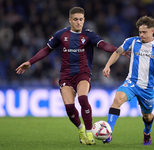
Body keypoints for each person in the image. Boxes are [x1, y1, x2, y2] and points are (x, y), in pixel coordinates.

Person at [15, 7, 129, 145]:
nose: (78, 22)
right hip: (66, 76)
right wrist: (30, 62)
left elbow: (103, 45)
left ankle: (89, 133)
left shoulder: (88, 35)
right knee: (69, 107)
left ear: (84, 20)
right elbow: (47, 50)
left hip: (83, 73)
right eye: (75, 19)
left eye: (81, 19)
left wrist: (118, 50)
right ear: (70, 20)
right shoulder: (60, 35)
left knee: (82, 98)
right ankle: (80, 130)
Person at [102, 15, 154, 145]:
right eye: (140, 32)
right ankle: (108, 133)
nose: (141, 35)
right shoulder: (132, 41)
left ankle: (147, 133)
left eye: (144, 32)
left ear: (152, 31)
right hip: (131, 82)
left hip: (147, 88)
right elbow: (118, 52)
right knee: (117, 99)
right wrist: (108, 65)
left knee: (147, 116)